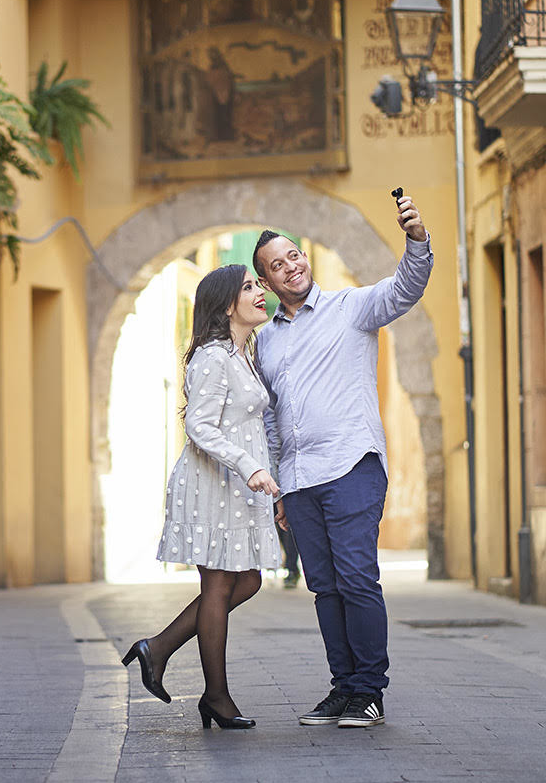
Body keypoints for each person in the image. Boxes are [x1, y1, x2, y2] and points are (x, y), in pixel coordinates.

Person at [251, 194, 433, 728]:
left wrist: (416, 240)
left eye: (294, 256)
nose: (291, 266)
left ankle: (370, 691)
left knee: (357, 579)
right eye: (277, 265)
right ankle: (343, 687)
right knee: (324, 587)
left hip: (352, 465)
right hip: (301, 480)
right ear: (266, 281)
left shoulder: (350, 308)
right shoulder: (266, 343)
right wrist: (281, 487)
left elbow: (404, 289)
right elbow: (270, 419)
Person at [121, 264, 281, 730]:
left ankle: (159, 647)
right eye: (249, 287)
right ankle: (216, 696)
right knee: (219, 586)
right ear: (226, 304)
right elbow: (200, 426)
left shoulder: (241, 354)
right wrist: (250, 467)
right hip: (213, 484)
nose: (260, 290)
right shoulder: (212, 356)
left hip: (237, 485)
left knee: (246, 581)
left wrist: (266, 479)